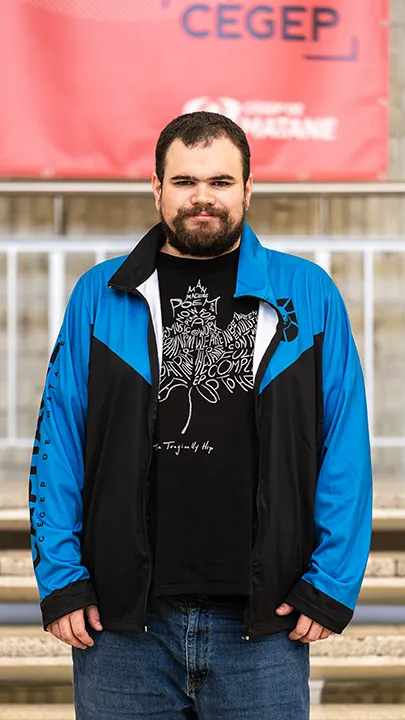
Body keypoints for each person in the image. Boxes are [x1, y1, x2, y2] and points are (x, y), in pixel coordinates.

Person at [29, 111, 373, 719]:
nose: (202, 199)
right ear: (157, 188)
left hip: (264, 628)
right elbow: (60, 439)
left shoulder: (309, 292)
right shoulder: (99, 293)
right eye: (185, 181)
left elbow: (342, 442)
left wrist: (333, 581)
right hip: (120, 627)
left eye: (220, 182)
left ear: (248, 188)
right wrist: (60, 577)